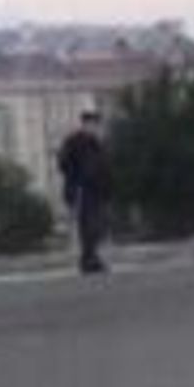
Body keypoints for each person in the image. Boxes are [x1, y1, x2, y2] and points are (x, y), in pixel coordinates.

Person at [57, 110, 112, 274]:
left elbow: (104, 167)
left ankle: (91, 258)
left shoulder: (96, 143)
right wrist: (76, 180)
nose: (94, 127)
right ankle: (88, 260)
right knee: (87, 225)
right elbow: (63, 163)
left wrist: (107, 187)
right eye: (92, 124)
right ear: (85, 124)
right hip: (82, 189)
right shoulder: (74, 141)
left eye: (96, 124)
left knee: (97, 226)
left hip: (97, 190)